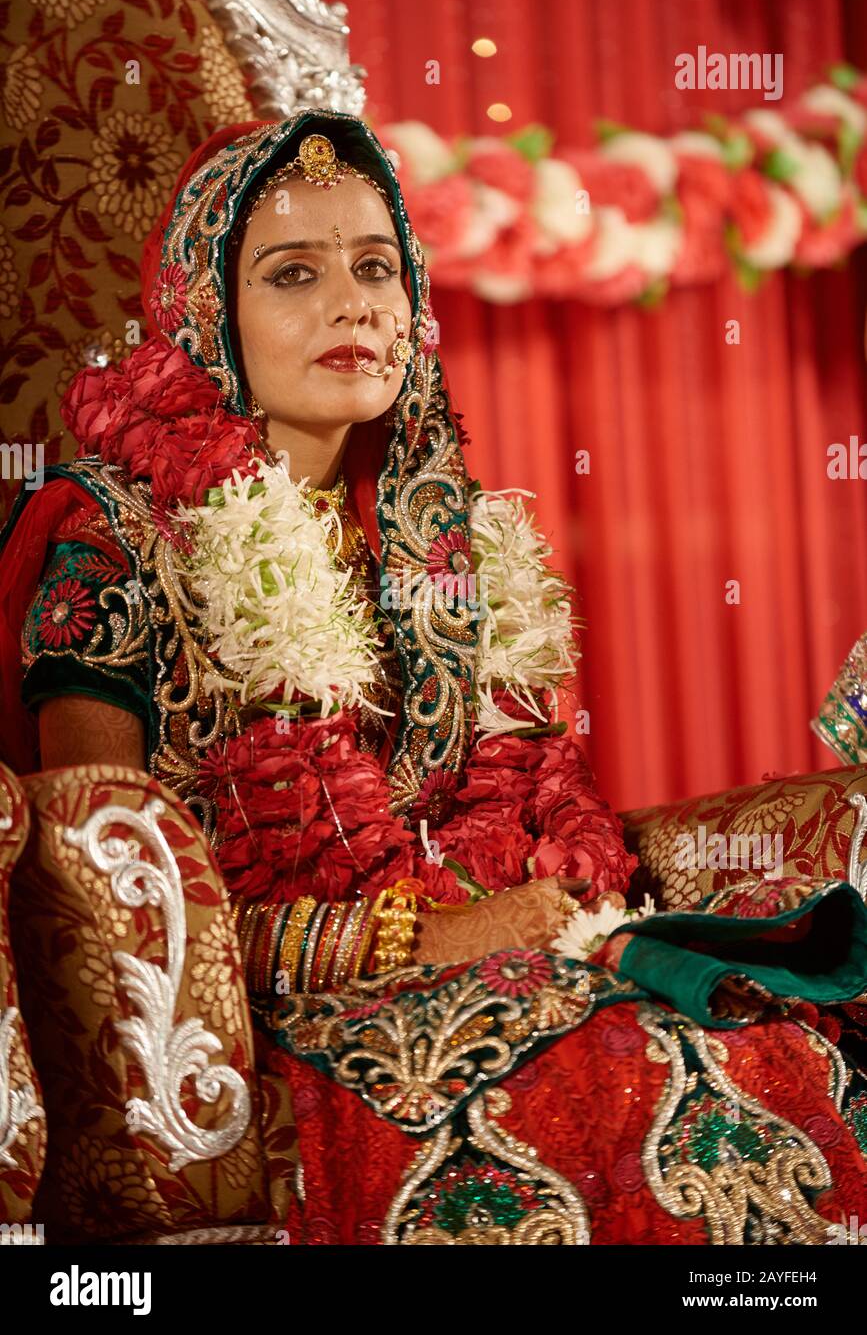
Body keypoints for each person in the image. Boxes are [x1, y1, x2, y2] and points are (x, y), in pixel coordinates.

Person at [1, 111, 867, 1246]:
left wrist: (547, 913)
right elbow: (100, 905)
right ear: (208, 313)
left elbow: (531, 804)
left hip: (503, 958)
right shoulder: (113, 540)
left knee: (761, 1029)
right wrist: (418, 944)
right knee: (602, 1069)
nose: (354, 302)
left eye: (377, 267)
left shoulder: (441, 541)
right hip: (266, 1024)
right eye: (293, 273)